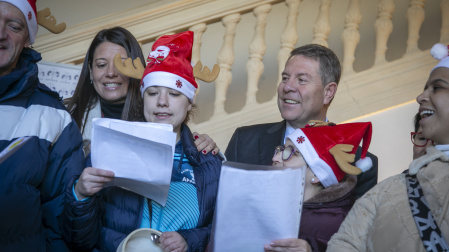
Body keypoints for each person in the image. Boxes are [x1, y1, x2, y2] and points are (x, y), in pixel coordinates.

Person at [62, 31, 222, 252]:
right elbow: (80, 241)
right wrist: (80, 195)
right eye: (153, 93)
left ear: (189, 104)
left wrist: (189, 240)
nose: (162, 102)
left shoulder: (208, 161)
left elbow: (222, 230)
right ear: (142, 98)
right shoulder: (109, 149)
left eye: (175, 94)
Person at [327, 43, 449, 251]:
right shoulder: (385, 191)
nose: (420, 97)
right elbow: (345, 244)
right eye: (425, 88)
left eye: (437, 87)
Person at [225, 44, 378, 199]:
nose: (288, 86)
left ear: (328, 92)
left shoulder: (357, 163)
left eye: (301, 80)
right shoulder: (243, 141)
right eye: (285, 78)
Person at [0, 0, 84, 251]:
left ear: (27, 39)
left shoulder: (53, 116)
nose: (0, 33)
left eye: (14, 26)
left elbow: (59, 219)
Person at [65, 27, 219, 156]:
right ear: (91, 71)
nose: (111, 73)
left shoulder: (157, 112)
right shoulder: (66, 117)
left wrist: (202, 143)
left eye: (121, 64)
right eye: (101, 65)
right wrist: (85, 156)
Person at [264, 121, 373, 252]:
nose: (275, 158)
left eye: (289, 152)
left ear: (316, 175)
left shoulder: (336, 224)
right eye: (281, 149)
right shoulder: (277, 205)